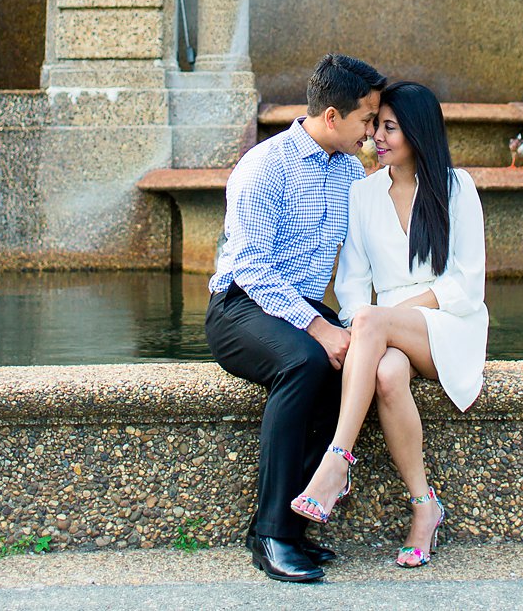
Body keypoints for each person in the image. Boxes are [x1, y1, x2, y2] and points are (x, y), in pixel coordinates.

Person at [291, 81, 487, 570]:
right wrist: (374, 324)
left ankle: (337, 460)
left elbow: (468, 284)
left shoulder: (457, 187)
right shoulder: (363, 192)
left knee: (371, 320)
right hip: (390, 335)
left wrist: (392, 316)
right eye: (376, 125)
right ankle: (425, 508)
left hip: (451, 324)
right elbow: (353, 285)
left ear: (418, 133)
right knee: (386, 374)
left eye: (390, 128)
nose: (376, 136)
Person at [206, 54, 385, 585]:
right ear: (333, 117)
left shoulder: (350, 169)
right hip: (241, 308)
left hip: (301, 310)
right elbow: (250, 268)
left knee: (354, 365)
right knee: (308, 362)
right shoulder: (265, 167)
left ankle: (297, 520)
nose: (371, 131)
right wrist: (319, 327)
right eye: (366, 120)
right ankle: (271, 534)